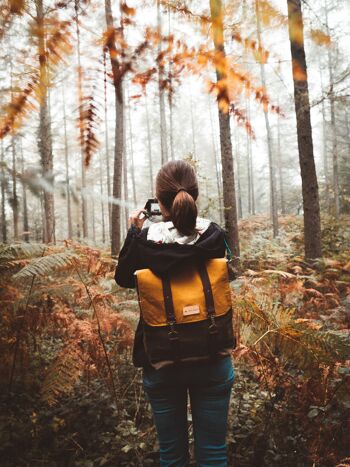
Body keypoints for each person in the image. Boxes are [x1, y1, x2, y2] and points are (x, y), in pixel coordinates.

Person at [115, 160, 235, 467]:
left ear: (159, 200)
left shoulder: (146, 239)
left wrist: (134, 229)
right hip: (212, 351)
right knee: (214, 455)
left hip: (161, 356)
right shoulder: (214, 236)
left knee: (172, 457)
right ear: (194, 195)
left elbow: (125, 278)